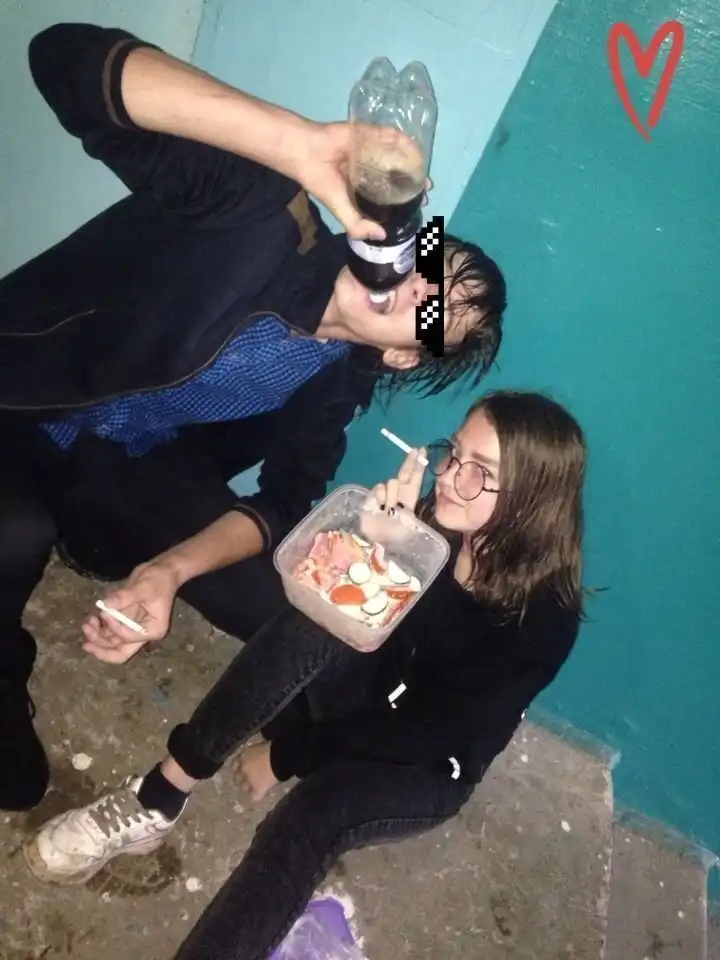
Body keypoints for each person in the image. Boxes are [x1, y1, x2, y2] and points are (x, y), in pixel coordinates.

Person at [0, 23, 507, 812]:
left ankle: (315, 745)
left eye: (437, 314)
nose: (422, 289)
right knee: (15, 528)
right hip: (25, 396)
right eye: (433, 265)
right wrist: (295, 144)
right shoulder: (263, 215)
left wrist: (171, 572)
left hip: (124, 460)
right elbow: (60, 58)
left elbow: (282, 499)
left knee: (285, 601)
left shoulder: (341, 373)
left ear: (407, 355)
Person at [25, 390, 587, 960]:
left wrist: (286, 756)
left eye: (479, 471)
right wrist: (383, 547)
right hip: (366, 697)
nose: (446, 476)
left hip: (423, 766)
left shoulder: (541, 623)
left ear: (531, 499)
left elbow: (421, 735)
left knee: (312, 814)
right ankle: (161, 794)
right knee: (314, 617)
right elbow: (372, 620)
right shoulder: (438, 526)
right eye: (454, 452)